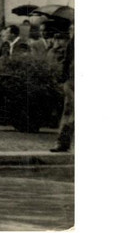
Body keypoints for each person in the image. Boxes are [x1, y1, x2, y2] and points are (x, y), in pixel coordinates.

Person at [51, 22, 74, 153]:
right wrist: (64, 80)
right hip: (72, 80)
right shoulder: (72, 42)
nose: (71, 30)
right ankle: (63, 142)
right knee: (69, 111)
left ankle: (63, 142)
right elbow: (67, 61)